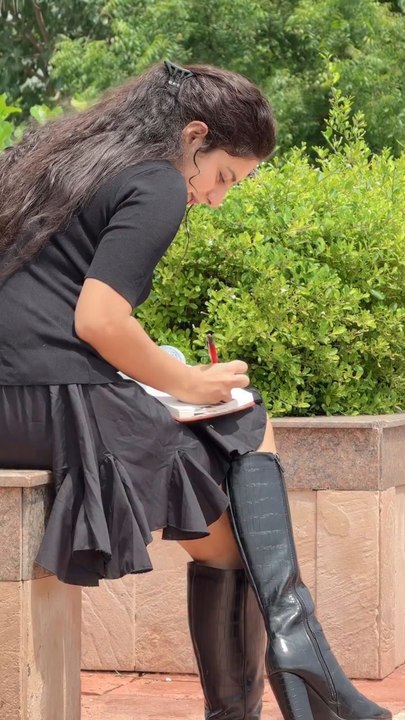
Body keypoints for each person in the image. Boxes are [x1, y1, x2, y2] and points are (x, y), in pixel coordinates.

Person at [0, 61, 390, 720]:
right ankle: (296, 662)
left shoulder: (69, 160)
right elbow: (99, 321)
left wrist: (173, 378)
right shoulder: (156, 180)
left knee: (239, 423)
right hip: (47, 399)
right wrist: (184, 380)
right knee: (237, 480)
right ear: (194, 136)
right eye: (223, 177)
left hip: (21, 395)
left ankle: (302, 664)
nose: (215, 198)